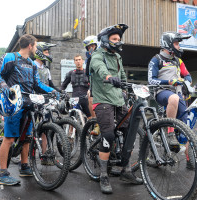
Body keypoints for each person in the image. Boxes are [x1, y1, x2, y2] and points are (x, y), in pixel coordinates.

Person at [0, 34, 60, 186]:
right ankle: (3, 173)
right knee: (9, 138)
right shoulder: (9, 57)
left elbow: (37, 84)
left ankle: (25, 166)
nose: (36, 49)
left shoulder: (32, 64)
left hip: (29, 103)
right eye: (35, 46)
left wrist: (52, 90)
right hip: (13, 103)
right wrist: (4, 86)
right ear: (30, 45)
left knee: (27, 136)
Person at [89, 24, 143, 194]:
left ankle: (126, 170)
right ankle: (104, 175)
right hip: (102, 100)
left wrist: (130, 87)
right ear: (105, 40)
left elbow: (123, 77)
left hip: (118, 100)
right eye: (114, 39)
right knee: (109, 134)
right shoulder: (97, 55)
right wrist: (108, 77)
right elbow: (99, 68)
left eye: (119, 39)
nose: (118, 41)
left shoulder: (118, 57)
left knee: (130, 131)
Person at [148, 31, 192, 166]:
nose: (178, 46)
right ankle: (170, 133)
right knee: (173, 98)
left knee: (187, 124)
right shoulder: (156, 59)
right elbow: (151, 80)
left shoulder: (178, 61)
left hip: (178, 94)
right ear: (168, 44)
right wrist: (169, 82)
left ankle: (189, 158)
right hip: (162, 92)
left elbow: (187, 75)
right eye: (176, 43)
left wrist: (187, 84)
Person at [34, 41, 61, 165]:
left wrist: (59, 91)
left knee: (45, 128)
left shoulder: (46, 69)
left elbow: (51, 84)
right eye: (46, 51)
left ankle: (44, 155)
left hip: (45, 101)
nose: (48, 54)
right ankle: (26, 156)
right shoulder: (32, 65)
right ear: (39, 52)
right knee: (31, 129)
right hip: (33, 100)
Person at [61, 55, 92, 119]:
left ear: (83, 61)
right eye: (76, 60)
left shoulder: (88, 73)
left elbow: (93, 84)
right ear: (74, 62)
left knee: (90, 117)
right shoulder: (71, 73)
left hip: (85, 99)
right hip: (74, 99)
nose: (78, 62)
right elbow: (63, 85)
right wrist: (63, 93)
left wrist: (90, 90)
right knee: (72, 119)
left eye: (79, 59)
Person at [83, 35, 100, 135]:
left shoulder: (102, 55)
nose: (90, 49)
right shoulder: (88, 60)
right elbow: (89, 75)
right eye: (88, 48)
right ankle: (96, 122)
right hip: (94, 85)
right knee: (90, 96)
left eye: (91, 46)